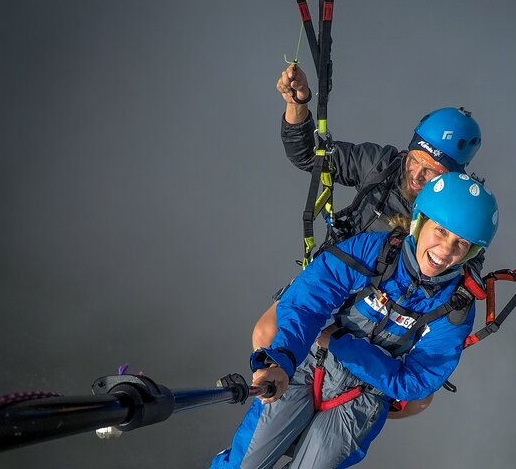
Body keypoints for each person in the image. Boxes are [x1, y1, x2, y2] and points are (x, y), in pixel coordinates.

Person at [210, 172, 499, 468]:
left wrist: (339, 342)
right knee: (244, 463)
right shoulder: (374, 251)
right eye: (440, 231)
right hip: (309, 367)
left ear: (471, 252)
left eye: (461, 243)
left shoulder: (455, 305)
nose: (446, 250)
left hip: (361, 400)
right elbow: (307, 302)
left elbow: (417, 380)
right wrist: (279, 361)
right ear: (420, 222)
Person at [252, 64, 485, 418]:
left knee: (416, 402)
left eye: (433, 173)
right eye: (416, 161)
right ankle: (278, 415)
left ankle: (329, 421)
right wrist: (297, 106)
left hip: (389, 312)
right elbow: (307, 156)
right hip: (338, 280)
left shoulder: (457, 216)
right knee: (267, 333)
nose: (418, 176)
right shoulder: (382, 165)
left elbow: (460, 280)